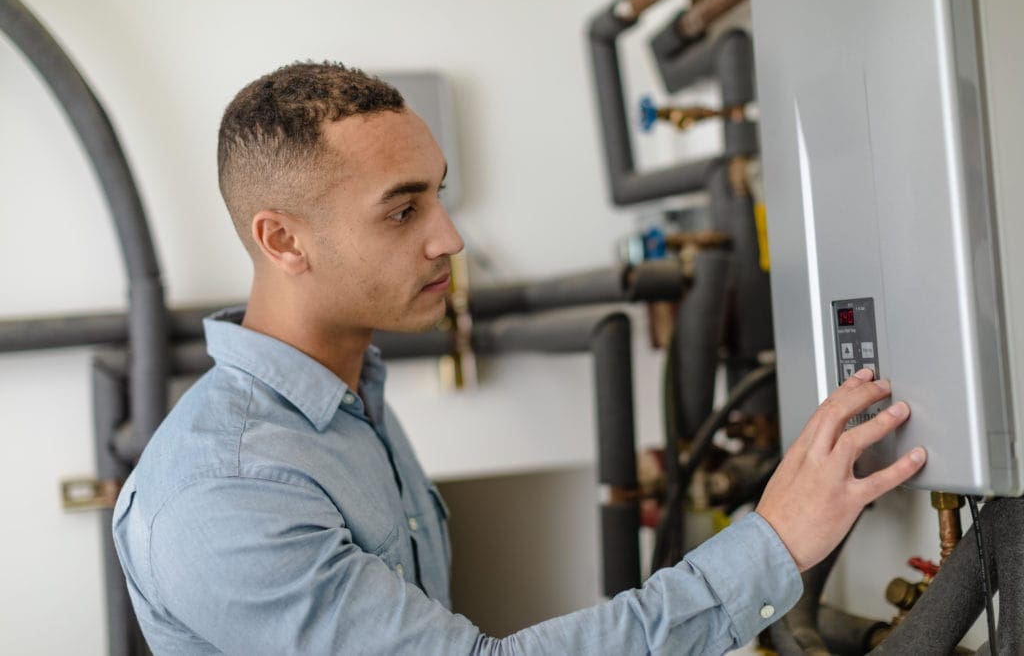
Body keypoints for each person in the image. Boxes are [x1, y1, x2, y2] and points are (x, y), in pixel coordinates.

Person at [112, 61, 927, 655]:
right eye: (402, 210)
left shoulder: (346, 398)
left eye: (437, 191)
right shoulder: (226, 490)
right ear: (282, 239)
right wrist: (776, 541)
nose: (450, 236)